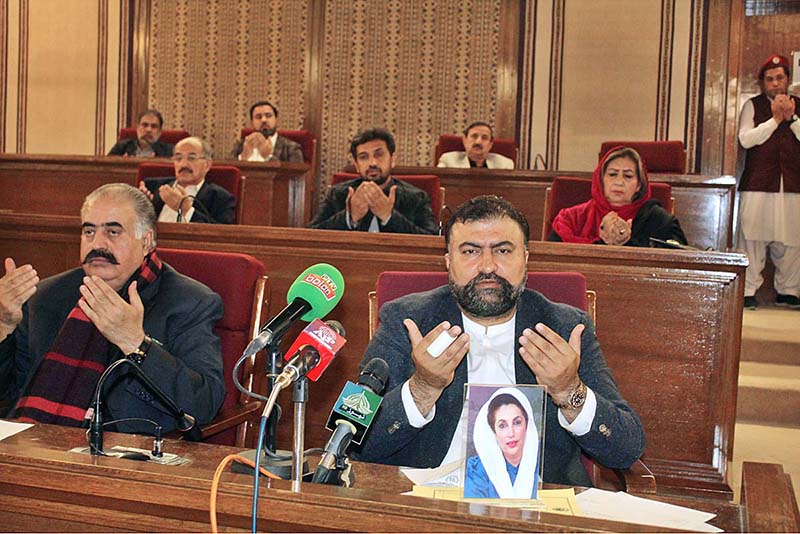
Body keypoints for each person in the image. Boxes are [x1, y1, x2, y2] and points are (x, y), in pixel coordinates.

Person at [354, 195, 645, 487]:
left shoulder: (566, 328)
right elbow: (352, 436)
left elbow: (626, 448)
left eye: (503, 250)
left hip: (537, 511)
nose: (488, 266)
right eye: (470, 251)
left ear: (526, 258)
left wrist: (570, 391)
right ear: (448, 262)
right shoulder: (406, 320)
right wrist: (422, 389)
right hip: (426, 503)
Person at [0, 183, 225, 434]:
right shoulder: (47, 295)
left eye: (113, 232)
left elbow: (204, 403)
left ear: (147, 240)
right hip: (30, 444)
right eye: (88, 232)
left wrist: (136, 344)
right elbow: (9, 391)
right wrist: (4, 325)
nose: (98, 244)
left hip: (120, 457)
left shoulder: (189, 302)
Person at [738, 54, 800, 310]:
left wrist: (791, 119)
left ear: (787, 80)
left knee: (792, 240)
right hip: (758, 183)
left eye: (780, 78)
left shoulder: (799, 106)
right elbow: (746, 139)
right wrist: (775, 120)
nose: (775, 84)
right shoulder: (752, 106)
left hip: (793, 184)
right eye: (770, 79)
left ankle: (789, 291)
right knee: (752, 236)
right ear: (763, 83)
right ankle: (749, 289)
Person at [548, 146, 687, 247]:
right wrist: (601, 243)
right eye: (612, 174)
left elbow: (678, 262)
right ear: (600, 180)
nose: (619, 182)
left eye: (628, 176)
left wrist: (629, 243)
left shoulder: (658, 220)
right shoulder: (572, 218)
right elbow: (551, 262)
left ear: (639, 184)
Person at [309, 128, 438, 234]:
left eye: (379, 154)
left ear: (392, 160)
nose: (372, 163)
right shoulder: (337, 194)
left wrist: (389, 217)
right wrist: (350, 217)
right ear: (356, 164)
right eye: (364, 157)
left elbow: (432, 240)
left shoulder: (416, 197)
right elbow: (311, 235)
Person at [139, 136, 236, 224]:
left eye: (191, 158)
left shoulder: (220, 198)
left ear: (207, 165)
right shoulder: (152, 187)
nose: (183, 164)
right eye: (178, 158)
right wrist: (137, 206)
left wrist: (187, 211)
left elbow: (222, 235)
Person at [464, 388, 539, 499]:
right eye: (502, 426)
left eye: (517, 422)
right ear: (494, 431)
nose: (511, 433)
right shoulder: (478, 468)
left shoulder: (542, 462)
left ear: (527, 425)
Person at [231, 101, 304, 162]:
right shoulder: (240, 145)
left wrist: (268, 157)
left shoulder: (291, 148)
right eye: (258, 117)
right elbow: (227, 173)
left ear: (276, 120)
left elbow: (297, 178)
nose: (263, 120)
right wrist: (243, 157)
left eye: (268, 115)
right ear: (252, 123)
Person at [437, 122, 514, 169]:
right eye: (474, 136)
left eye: (484, 138)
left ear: (490, 144)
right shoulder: (448, 160)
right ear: (464, 140)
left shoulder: (505, 164)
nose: (478, 142)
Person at [107, 109, 175, 158]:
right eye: (145, 125)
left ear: (160, 132)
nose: (148, 130)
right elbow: (106, 167)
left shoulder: (169, 151)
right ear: (138, 128)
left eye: (154, 126)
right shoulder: (122, 147)